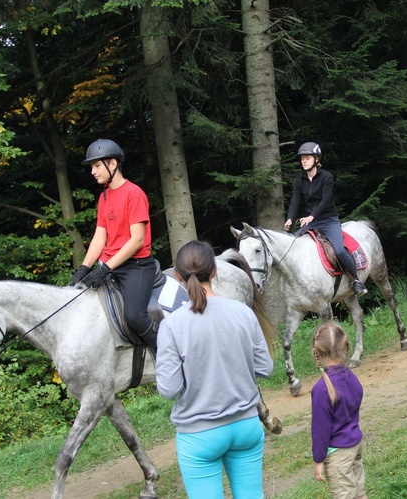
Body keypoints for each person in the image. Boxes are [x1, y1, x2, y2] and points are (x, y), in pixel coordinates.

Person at [156, 240, 273, 499]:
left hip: (199, 436)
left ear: (177, 277)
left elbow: (168, 389)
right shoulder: (243, 312)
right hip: (246, 426)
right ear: (215, 271)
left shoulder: (171, 326)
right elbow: (265, 367)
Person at [68, 139, 158, 353]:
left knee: (134, 316)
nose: (92, 172)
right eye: (92, 167)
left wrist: (106, 268)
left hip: (136, 265)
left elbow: (136, 240)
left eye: (97, 166)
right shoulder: (104, 197)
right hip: (108, 265)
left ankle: (168, 354)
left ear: (113, 164)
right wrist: (84, 268)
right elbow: (100, 236)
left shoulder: (134, 194)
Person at [285, 142, 367, 297]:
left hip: (328, 220)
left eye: (307, 158)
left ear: (316, 159)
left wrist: (311, 216)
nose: (304, 161)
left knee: (339, 251)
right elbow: (295, 201)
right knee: (293, 247)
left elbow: (326, 200)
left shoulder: (326, 177)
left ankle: (356, 281)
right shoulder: (299, 180)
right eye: (302, 158)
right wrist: (290, 218)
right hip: (311, 223)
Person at [311, 321, 367, 499]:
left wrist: (319, 459)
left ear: (317, 352)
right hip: (355, 444)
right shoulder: (350, 375)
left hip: (338, 454)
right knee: (360, 493)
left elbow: (320, 429)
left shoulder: (321, 389)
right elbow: (357, 395)